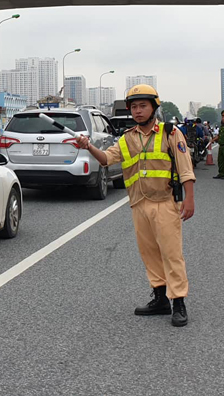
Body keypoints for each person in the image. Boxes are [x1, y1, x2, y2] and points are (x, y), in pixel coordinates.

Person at [75, 84, 195, 327]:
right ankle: (161, 298)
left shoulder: (170, 133)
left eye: (143, 106)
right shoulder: (127, 138)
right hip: (139, 204)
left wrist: (189, 199)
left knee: (171, 254)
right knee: (149, 254)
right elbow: (107, 159)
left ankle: (179, 302)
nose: (138, 111)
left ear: (153, 107)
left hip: (165, 202)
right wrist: (88, 146)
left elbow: (185, 168)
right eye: (134, 107)